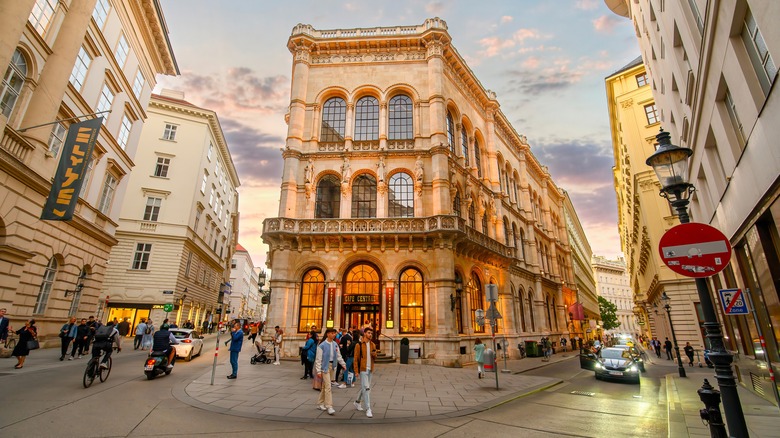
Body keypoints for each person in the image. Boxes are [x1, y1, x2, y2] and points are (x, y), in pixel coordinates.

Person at [315, 328, 346, 416]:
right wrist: (318, 371)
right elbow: (318, 359)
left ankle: (320, 403)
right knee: (328, 386)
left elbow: (338, 355)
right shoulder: (322, 345)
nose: (334, 335)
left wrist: (343, 364)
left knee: (325, 386)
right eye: (332, 333)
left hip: (333, 367)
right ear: (328, 334)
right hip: (325, 367)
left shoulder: (335, 344)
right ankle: (329, 406)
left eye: (335, 333)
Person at [353, 326, 377, 418]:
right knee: (366, 389)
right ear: (364, 333)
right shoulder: (359, 345)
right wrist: (356, 371)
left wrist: (374, 355)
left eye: (371, 333)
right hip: (363, 369)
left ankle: (357, 402)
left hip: (370, 369)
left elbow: (375, 356)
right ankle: (368, 409)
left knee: (365, 387)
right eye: (368, 333)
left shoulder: (373, 345)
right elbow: (355, 359)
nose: (370, 335)